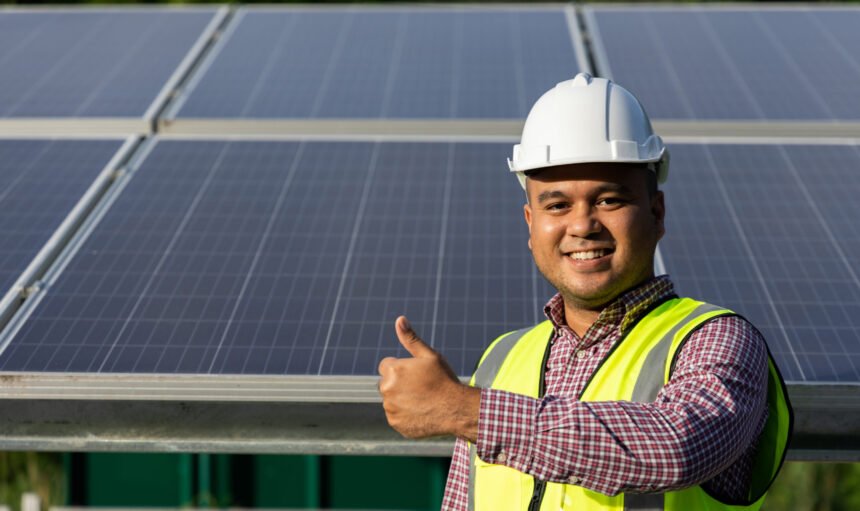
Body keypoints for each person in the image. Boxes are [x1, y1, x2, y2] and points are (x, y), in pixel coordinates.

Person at [377, 73, 792, 511]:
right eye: (557, 205)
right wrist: (465, 408)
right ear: (530, 224)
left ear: (657, 212)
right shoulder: (500, 359)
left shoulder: (716, 340)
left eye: (609, 200)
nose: (582, 225)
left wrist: (467, 411)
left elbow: (676, 447)